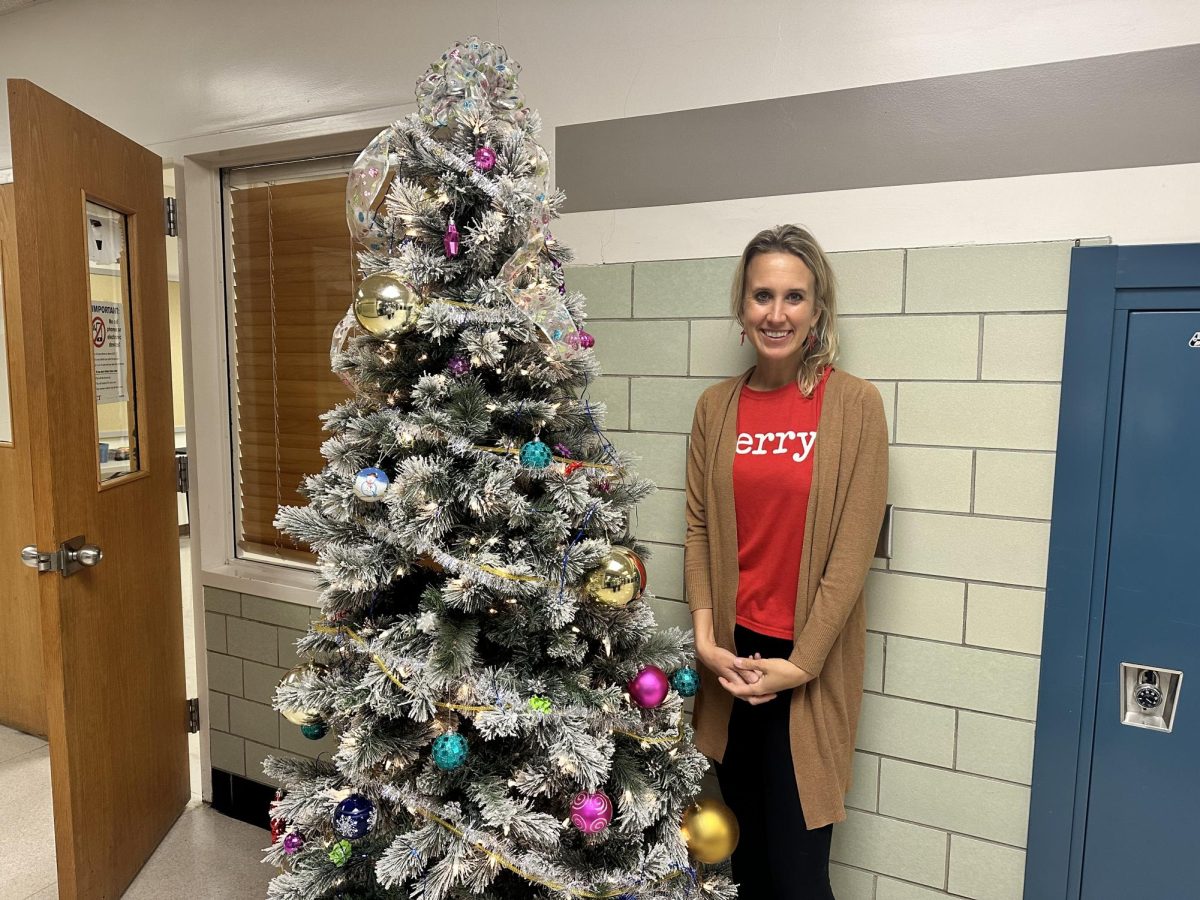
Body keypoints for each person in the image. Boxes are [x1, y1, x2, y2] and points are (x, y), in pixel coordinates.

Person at [684, 224, 889, 899]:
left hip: (807, 667)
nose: (777, 313)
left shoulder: (855, 404)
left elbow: (852, 552)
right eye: (762, 296)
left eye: (794, 297)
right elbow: (700, 528)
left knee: (800, 877)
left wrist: (801, 664)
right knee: (747, 869)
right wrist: (707, 640)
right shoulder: (716, 408)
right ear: (741, 310)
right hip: (732, 665)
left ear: (817, 310)